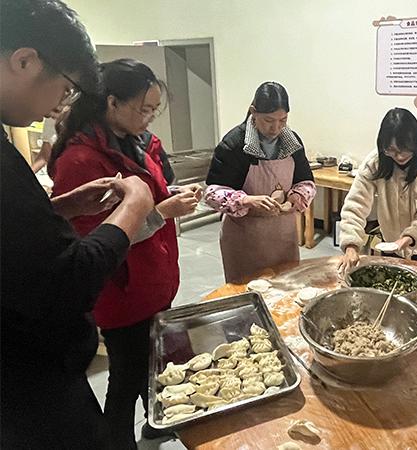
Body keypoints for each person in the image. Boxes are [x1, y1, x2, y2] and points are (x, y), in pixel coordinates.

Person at [0, 1, 154, 449]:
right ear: (24, 61)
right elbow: (69, 278)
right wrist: (135, 207)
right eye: (65, 89)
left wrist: (59, 209)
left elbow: (17, 239)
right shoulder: (80, 154)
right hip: (27, 390)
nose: (57, 108)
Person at [49, 58, 201, 448]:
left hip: (155, 280)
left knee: (154, 366)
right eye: (143, 109)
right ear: (112, 102)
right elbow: (95, 240)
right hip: (123, 292)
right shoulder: (80, 161)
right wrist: (163, 212)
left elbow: (155, 191)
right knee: (126, 378)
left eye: (154, 110)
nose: (149, 118)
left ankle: (155, 424)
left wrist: (173, 197)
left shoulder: (140, 142)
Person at [205, 81, 316, 283]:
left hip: (283, 238)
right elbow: (212, 193)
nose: (276, 128)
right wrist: (246, 201)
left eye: (283, 120)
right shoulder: (235, 144)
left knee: (285, 291)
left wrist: (296, 196)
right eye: (268, 120)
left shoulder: (292, 142)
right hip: (245, 241)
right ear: (253, 112)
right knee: (248, 292)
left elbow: (306, 181)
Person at [338, 108, 417, 272]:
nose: (398, 156)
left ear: (416, 143)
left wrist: (410, 237)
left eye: (404, 150)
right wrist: (351, 245)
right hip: (390, 238)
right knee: (389, 276)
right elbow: (355, 204)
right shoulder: (375, 162)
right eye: (391, 150)